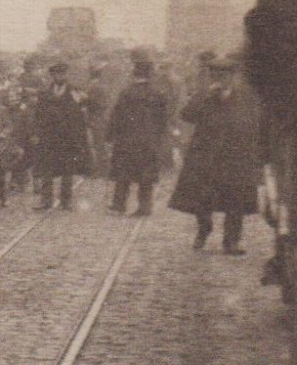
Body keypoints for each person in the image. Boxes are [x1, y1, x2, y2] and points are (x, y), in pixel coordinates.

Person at [169, 57, 262, 254]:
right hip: (206, 157)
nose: (221, 80)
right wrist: (205, 97)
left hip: (235, 157)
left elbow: (255, 122)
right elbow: (187, 115)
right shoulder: (205, 95)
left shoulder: (246, 97)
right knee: (203, 199)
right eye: (216, 76)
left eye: (225, 76)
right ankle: (204, 229)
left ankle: (231, 241)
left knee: (235, 200)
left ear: (233, 77)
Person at [106, 59, 171, 216]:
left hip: (126, 140)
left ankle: (119, 205)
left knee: (123, 174)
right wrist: (158, 137)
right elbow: (163, 119)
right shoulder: (158, 94)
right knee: (146, 175)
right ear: (149, 75)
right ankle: (145, 207)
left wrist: (109, 136)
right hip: (148, 141)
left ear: (134, 75)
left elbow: (116, 116)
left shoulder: (126, 93)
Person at [30, 62, 92, 211]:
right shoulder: (45, 93)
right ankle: (46, 201)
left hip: (68, 137)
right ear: (52, 76)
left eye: (62, 74)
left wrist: (83, 101)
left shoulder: (74, 91)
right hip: (49, 137)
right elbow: (38, 115)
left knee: (67, 170)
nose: (60, 77)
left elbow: (86, 110)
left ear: (66, 75)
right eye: (56, 74)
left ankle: (66, 201)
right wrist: (36, 133)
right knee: (47, 170)